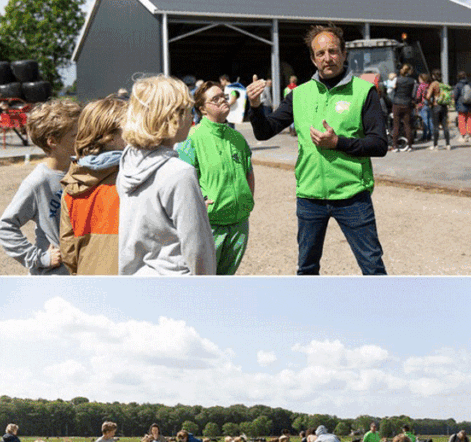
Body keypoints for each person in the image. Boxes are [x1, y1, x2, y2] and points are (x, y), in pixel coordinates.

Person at [247, 24, 388, 275]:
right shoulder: (299, 94)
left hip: (352, 196)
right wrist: (256, 107)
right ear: (313, 59)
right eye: (320, 53)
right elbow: (264, 131)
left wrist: (339, 143)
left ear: (344, 54)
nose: (327, 58)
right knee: (307, 268)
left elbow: (379, 144)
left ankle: (385, 313)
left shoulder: (364, 92)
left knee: (372, 267)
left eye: (333, 51)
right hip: (310, 197)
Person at [117, 74, 215, 275]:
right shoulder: (180, 173)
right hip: (175, 284)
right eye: (187, 111)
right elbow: (197, 248)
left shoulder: (128, 163)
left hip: (137, 279)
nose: (192, 118)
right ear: (172, 117)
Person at [177, 81, 255, 275]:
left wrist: (247, 201)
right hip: (210, 226)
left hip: (239, 225)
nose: (222, 100)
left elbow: (248, 172)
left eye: (223, 96)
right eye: (215, 99)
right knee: (204, 283)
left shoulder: (237, 138)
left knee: (226, 282)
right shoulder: (192, 138)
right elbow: (182, 178)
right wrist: (199, 203)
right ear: (202, 109)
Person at [0, 99, 80, 274]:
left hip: (81, 273)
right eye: (75, 135)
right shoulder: (37, 182)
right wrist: (40, 258)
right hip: (54, 279)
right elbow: (5, 228)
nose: (81, 139)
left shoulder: (81, 169)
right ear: (52, 141)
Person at [59, 96, 127, 275]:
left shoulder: (72, 184)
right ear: (109, 137)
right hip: (129, 288)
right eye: (127, 127)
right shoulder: (131, 181)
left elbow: (69, 254)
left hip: (88, 285)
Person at [391, 64, 417, 151]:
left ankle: (395, 146)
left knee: (396, 125)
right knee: (407, 125)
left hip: (397, 104)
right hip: (407, 104)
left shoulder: (397, 79)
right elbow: (414, 94)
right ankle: (409, 146)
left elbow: (393, 90)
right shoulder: (413, 81)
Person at [426, 69, 452, 150]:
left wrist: (429, 103)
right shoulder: (443, 84)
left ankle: (435, 145)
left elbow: (427, 96)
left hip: (436, 106)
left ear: (433, 76)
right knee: (445, 126)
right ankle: (448, 144)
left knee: (436, 126)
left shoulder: (433, 84)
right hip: (444, 106)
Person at [452, 71, 471, 143]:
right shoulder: (470, 84)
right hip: (470, 105)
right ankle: (470, 136)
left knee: (461, 120)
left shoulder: (458, 85)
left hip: (461, 105)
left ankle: (463, 136)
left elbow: (455, 96)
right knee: (469, 120)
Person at [415, 73, 432, 143]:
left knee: (424, 121)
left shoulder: (421, 86)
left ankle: (424, 136)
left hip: (423, 104)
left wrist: (416, 102)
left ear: (422, 79)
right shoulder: (429, 85)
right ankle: (430, 134)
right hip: (430, 104)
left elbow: (418, 96)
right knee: (430, 120)